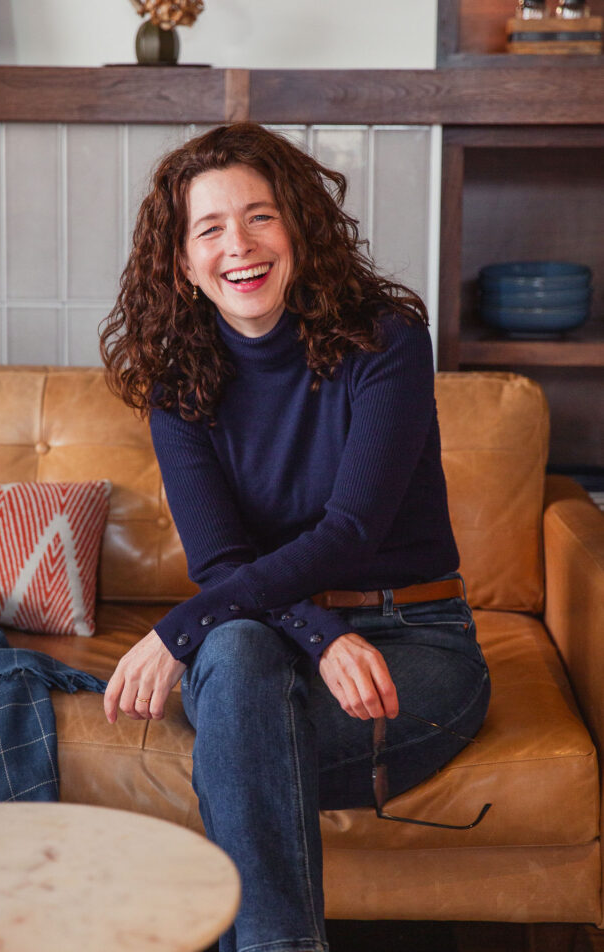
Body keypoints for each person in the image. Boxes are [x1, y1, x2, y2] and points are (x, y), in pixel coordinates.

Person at [99, 122, 491, 952]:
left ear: (299, 229)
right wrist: (320, 634)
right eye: (208, 229)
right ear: (179, 260)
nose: (236, 246)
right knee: (236, 659)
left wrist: (179, 629)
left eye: (259, 217)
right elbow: (221, 565)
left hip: (415, 638)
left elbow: (349, 533)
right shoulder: (178, 382)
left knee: (239, 727)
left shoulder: (383, 342)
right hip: (269, 634)